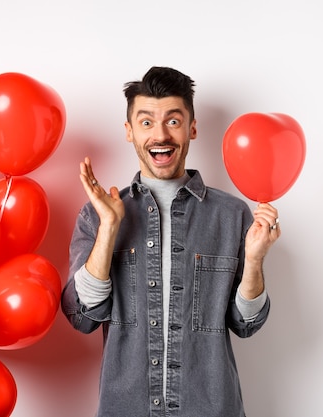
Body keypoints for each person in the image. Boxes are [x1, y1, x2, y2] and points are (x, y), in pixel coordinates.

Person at [61, 66, 281, 417]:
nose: (160, 135)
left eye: (173, 121)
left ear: (192, 128)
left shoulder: (233, 215)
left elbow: (246, 323)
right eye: (146, 122)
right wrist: (109, 228)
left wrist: (254, 261)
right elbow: (83, 316)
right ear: (129, 131)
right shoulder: (97, 215)